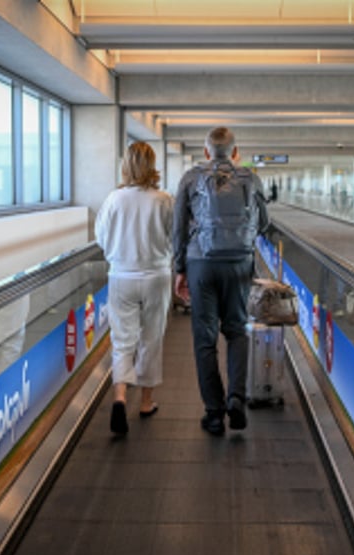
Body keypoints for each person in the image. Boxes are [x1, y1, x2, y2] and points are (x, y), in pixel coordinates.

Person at [172, 127, 269, 436]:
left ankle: (214, 414)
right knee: (236, 331)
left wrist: (179, 269)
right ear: (235, 152)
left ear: (206, 152)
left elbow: (177, 228)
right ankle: (236, 399)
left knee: (205, 338)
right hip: (239, 263)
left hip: (201, 263)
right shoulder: (250, 179)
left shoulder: (190, 178)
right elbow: (264, 223)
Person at [95, 141, 174, 435]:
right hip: (156, 276)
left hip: (121, 277)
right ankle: (146, 402)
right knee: (151, 337)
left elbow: (101, 238)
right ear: (152, 166)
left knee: (122, 338)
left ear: (125, 165)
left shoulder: (114, 200)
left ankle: (119, 397)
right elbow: (174, 236)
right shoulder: (164, 199)